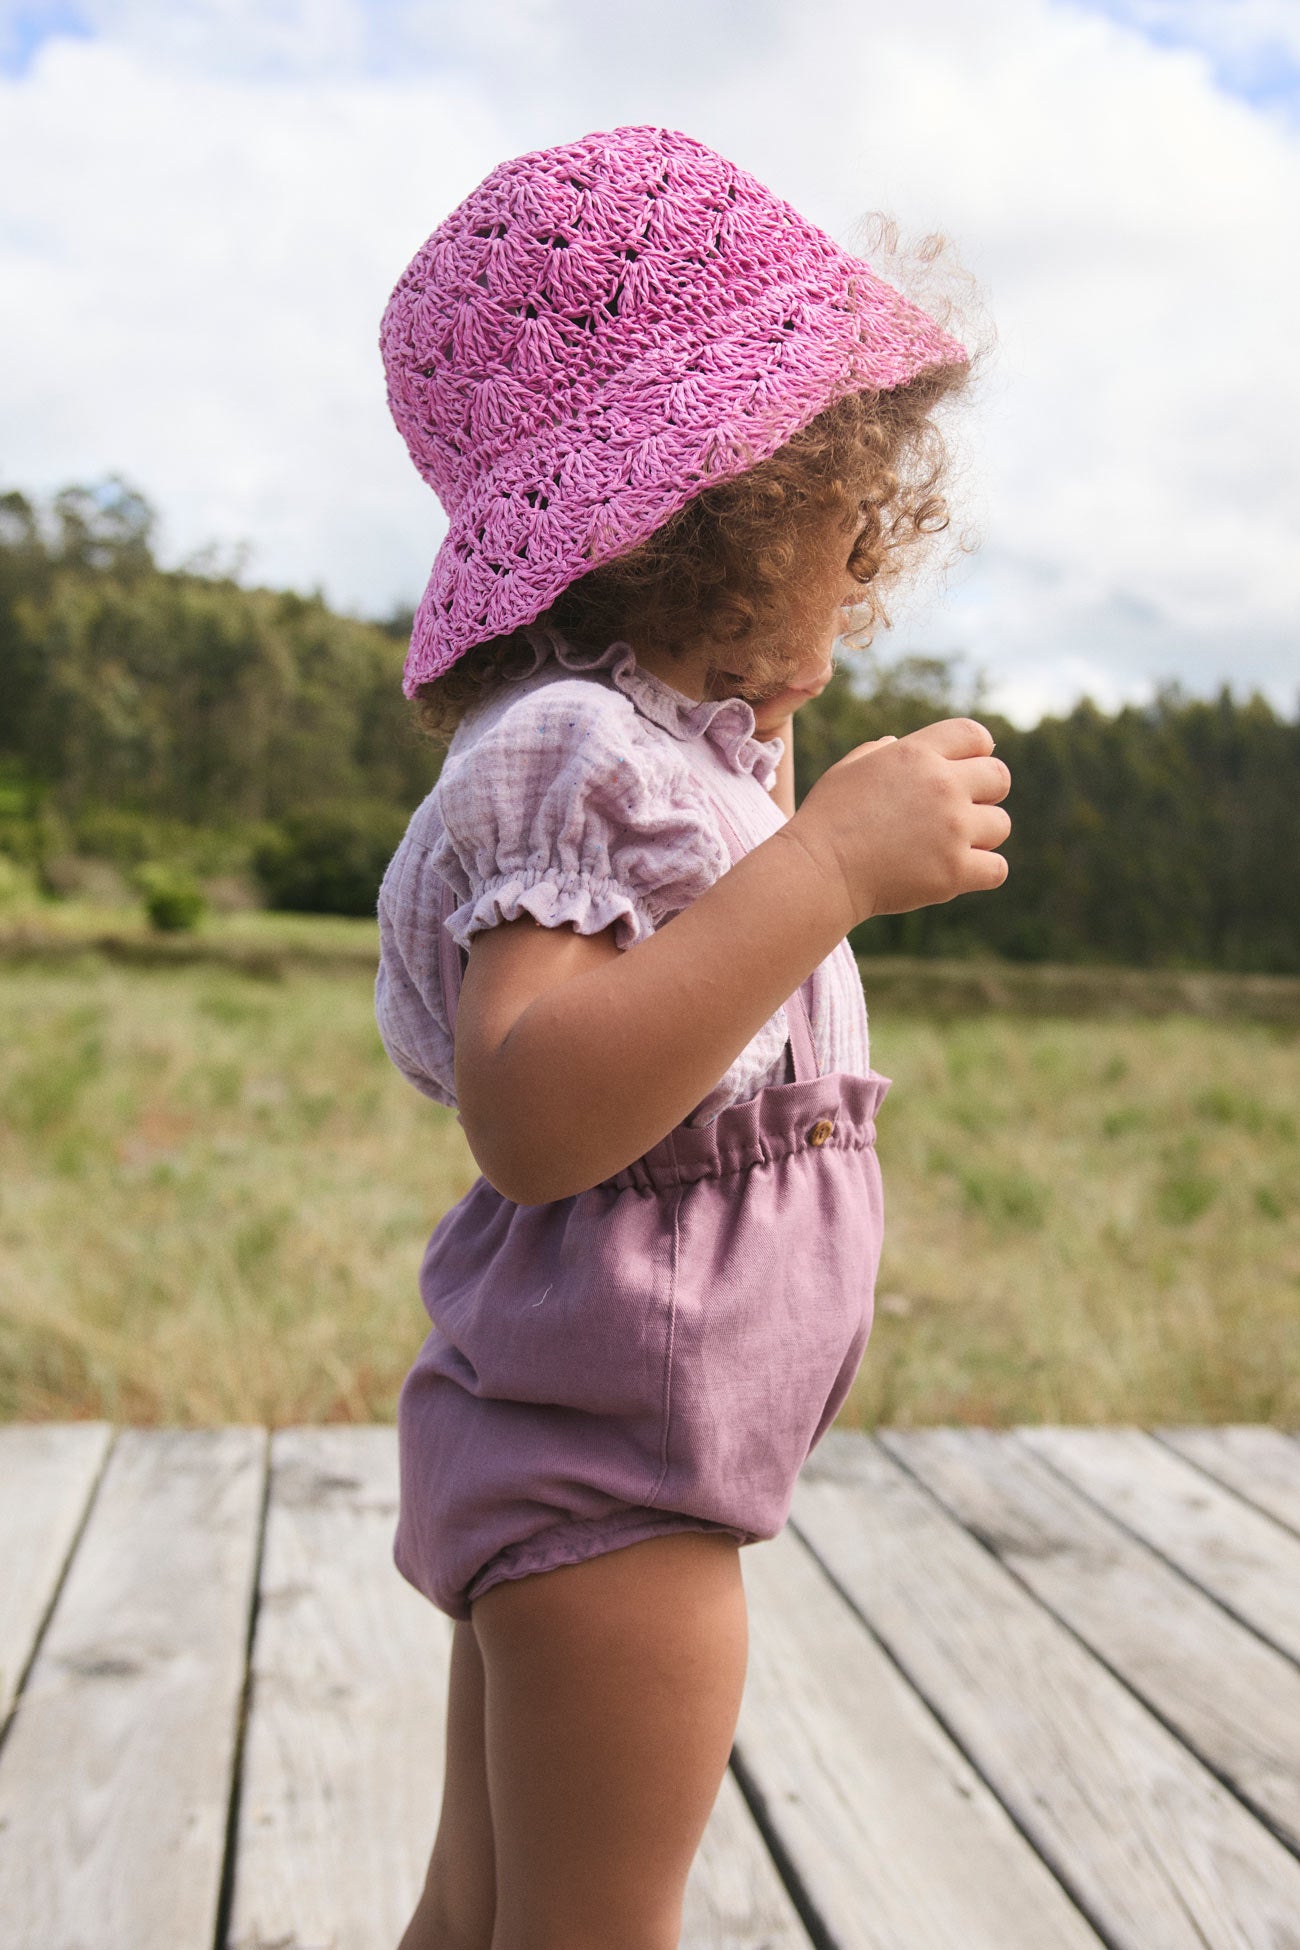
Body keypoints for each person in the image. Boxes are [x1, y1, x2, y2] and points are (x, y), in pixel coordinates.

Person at [373, 124, 1011, 1950]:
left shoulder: (655, 755)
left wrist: (778, 784)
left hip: (611, 1456)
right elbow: (534, 1109)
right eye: (842, 513)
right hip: (619, 1483)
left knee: (490, 1914)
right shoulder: (570, 753)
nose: (872, 558)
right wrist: (821, 868)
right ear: (710, 513)